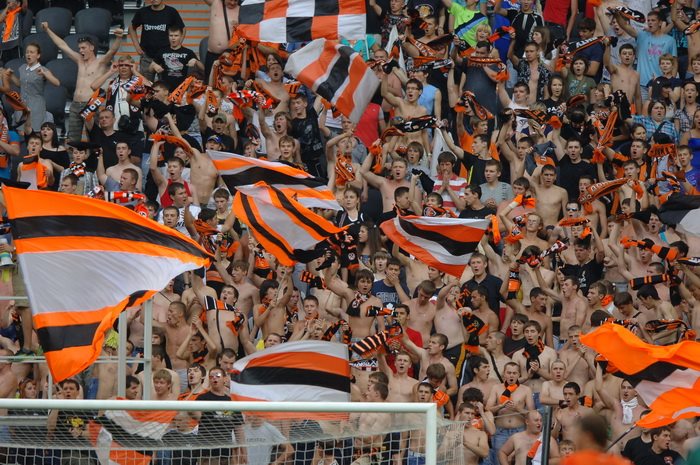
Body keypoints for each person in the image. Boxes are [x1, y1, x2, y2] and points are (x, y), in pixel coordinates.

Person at [42, 23, 125, 143]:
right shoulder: (79, 60)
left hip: (90, 104)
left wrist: (119, 37)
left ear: (91, 48)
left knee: (94, 139)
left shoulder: (100, 62)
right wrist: (47, 29)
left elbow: (112, 51)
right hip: (75, 104)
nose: (80, 50)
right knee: (72, 140)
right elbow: (62, 45)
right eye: (79, 48)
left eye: (83, 48)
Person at [129, 0, 185, 82]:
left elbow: (182, 29)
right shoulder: (142, 12)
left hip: (166, 57)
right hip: (147, 56)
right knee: (146, 86)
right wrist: (137, 46)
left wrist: (177, 46)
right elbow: (131, 28)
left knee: (166, 86)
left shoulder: (171, 12)